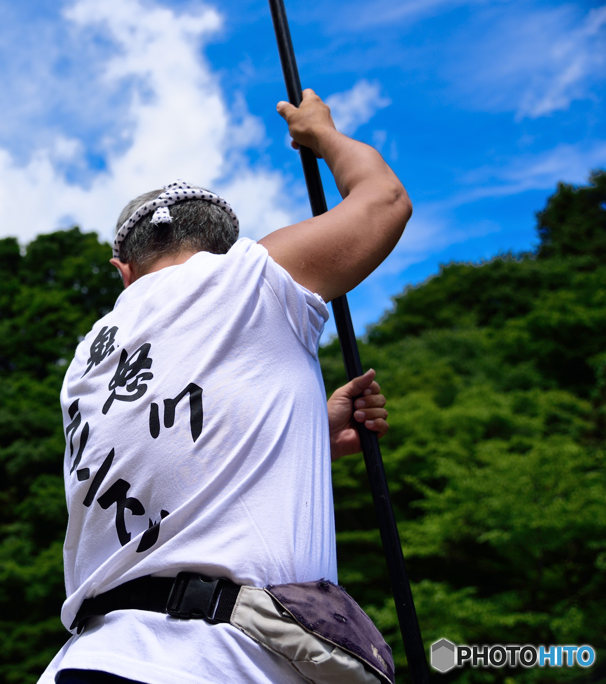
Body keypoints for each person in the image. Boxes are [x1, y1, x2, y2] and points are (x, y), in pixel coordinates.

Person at [38, 89, 410, 684]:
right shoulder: (249, 275)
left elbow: (175, 457)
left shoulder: (87, 361)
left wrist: (308, 428)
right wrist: (322, 133)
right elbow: (384, 200)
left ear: (123, 270)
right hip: (217, 664)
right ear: (224, 246)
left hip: (87, 661)